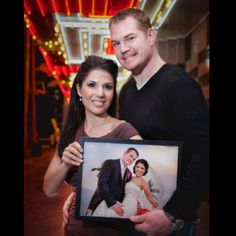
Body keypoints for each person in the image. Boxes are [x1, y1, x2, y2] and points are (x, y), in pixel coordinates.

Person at [63, 8, 209, 236]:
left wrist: (171, 215)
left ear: (151, 36)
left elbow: (204, 154)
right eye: (116, 43)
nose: (123, 49)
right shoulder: (127, 90)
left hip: (172, 222)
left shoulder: (181, 87)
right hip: (137, 217)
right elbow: (116, 147)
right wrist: (80, 196)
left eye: (130, 38)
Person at [43, 55, 143, 236]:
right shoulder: (71, 132)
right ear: (79, 90)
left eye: (108, 87)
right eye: (92, 85)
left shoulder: (124, 130)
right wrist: (66, 163)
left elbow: (146, 171)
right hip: (75, 229)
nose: (100, 93)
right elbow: (49, 189)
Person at [93, 158, 159, 218]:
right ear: (135, 167)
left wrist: (156, 205)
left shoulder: (144, 182)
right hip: (123, 203)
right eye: (137, 167)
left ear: (145, 170)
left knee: (108, 212)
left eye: (142, 168)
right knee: (104, 204)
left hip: (131, 207)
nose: (139, 169)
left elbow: (150, 197)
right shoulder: (130, 178)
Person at [86, 147, 139, 217]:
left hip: (114, 211)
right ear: (125, 153)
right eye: (131, 156)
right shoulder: (109, 163)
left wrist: (134, 202)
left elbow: (125, 191)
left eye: (134, 159)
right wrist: (113, 204)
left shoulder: (129, 173)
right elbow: (102, 184)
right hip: (101, 203)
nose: (131, 159)